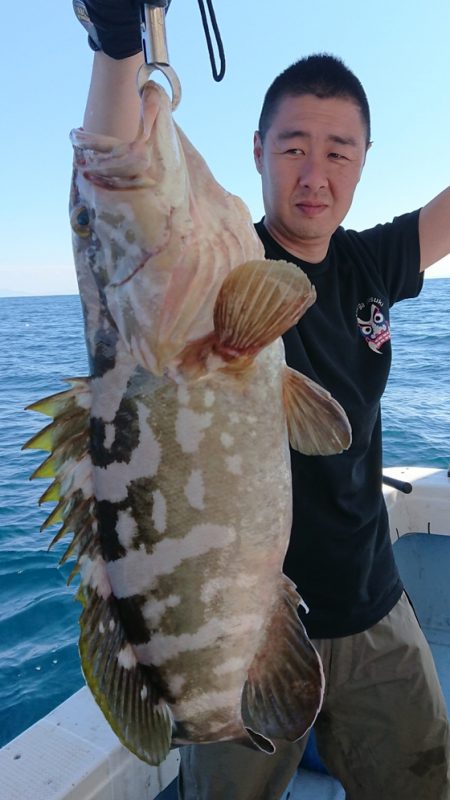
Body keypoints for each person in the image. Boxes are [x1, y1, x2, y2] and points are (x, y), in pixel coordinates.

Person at [74, 3, 450, 798]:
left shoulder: (372, 263)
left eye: (338, 151)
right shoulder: (223, 280)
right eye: (293, 147)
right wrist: (117, 44)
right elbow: (113, 172)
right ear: (258, 152)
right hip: (238, 646)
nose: (315, 173)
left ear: (363, 163)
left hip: (375, 606)